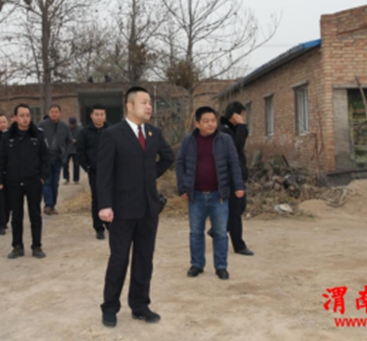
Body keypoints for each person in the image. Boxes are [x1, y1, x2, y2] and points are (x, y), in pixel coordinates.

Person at [97, 87, 174, 328]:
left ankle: (140, 305)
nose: (149, 106)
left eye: (150, 102)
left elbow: (168, 158)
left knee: (144, 259)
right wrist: (105, 205)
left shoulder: (153, 133)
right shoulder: (112, 134)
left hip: (148, 209)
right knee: (119, 259)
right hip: (121, 210)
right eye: (143, 102)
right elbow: (103, 174)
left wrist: (149, 177)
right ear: (129, 106)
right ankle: (110, 307)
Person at [176, 106, 244, 281]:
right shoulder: (188, 141)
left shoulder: (225, 140)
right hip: (196, 195)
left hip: (218, 195)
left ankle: (221, 267)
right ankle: (197, 264)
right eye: (206, 121)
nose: (211, 124)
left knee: (220, 233)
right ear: (197, 123)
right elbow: (180, 164)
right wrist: (182, 188)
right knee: (196, 232)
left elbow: (234, 164)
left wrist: (238, 186)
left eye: (213, 120)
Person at [0, 104, 50, 259]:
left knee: (35, 215)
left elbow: (45, 158)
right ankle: (17, 246)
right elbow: (0, 160)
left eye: (27, 115)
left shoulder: (38, 135)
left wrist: (43, 177)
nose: (25, 119)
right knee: (16, 216)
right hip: (13, 182)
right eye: (21, 115)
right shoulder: (7, 136)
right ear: (15, 118)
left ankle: (37, 246)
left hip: (33, 182)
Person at [217, 101, 255, 256]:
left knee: (240, 206)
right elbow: (238, 144)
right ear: (235, 115)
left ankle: (218, 229)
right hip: (229, 177)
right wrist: (242, 126)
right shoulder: (224, 131)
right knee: (235, 211)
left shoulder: (230, 129)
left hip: (237, 176)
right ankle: (239, 245)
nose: (243, 118)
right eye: (241, 115)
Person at [76, 104, 109, 240]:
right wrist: (87, 167)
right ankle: (99, 227)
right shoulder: (85, 133)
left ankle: (110, 223)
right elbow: (80, 151)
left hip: (110, 171)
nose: (99, 117)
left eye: (102, 114)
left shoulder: (111, 131)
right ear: (91, 116)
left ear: (105, 116)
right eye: (97, 115)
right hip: (94, 171)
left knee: (111, 197)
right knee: (96, 198)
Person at [38, 104, 73, 215]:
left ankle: (52, 205)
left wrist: (66, 153)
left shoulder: (64, 126)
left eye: (56, 112)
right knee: (47, 182)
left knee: (55, 183)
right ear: (49, 113)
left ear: (60, 113)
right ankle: (48, 205)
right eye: (52, 112)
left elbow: (69, 142)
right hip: (45, 158)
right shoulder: (42, 125)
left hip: (58, 157)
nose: (54, 114)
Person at [63, 116, 83, 184]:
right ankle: (66, 178)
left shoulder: (80, 129)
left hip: (76, 149)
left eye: (73, 124)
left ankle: (76, 179)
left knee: (76, 165)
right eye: (71, 124)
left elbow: (83, 138)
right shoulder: (66, 128)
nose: (72, 125)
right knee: (65, 164)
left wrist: (77, 140)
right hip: (67, 149)